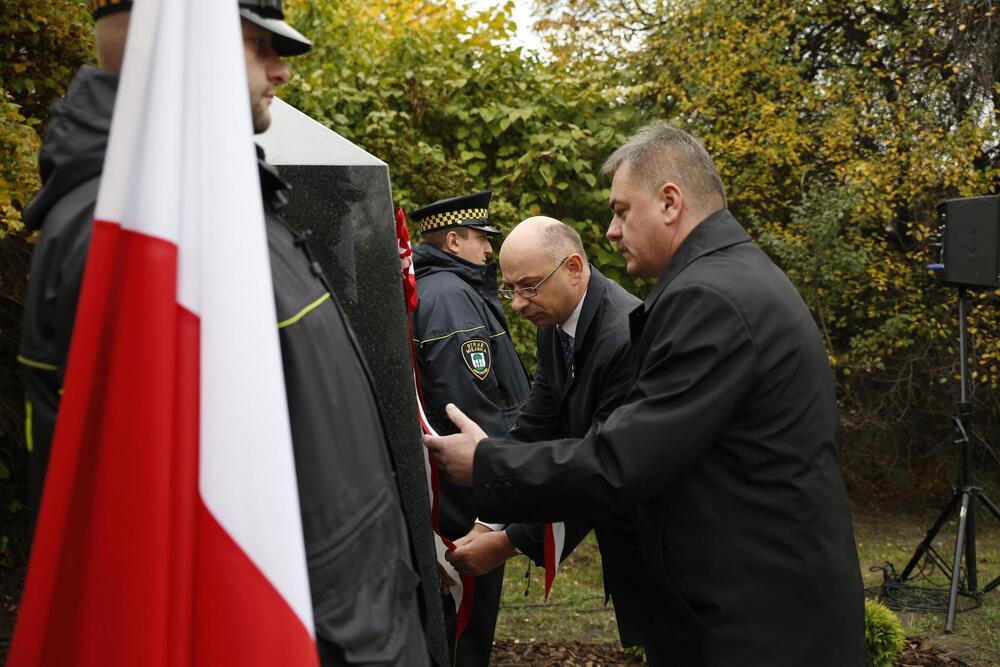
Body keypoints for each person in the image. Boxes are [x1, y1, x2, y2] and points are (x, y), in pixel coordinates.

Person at [18, 2, 428, 663]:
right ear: (181, 34)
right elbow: (156, 556)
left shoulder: (221, 200)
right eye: (257, 43)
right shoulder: (125, 236)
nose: (280, 71)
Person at [425, 123, 866, 665]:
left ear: (670, 202)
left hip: (755, 624)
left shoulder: (707, 298)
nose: (611, 230)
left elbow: (621, 461)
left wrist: (487, 463)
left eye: (621, 210)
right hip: (754, 608)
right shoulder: (724, 278)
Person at [443, 216, 661, 656]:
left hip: (662, 551)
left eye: (529, 286)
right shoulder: (556, 320)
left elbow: (599, 471)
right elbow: (538, 424)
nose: (519, 304)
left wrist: (505, 544)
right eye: (510, 289)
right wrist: (490, 517)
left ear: (575, 267)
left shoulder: (624, 337)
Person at [410, 192, 530, 666]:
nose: (488, 251)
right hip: (468, 502)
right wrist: (495, 506)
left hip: (466, 494)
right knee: (464, 635)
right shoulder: (451, 299)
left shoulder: (449, 291)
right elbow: (473, 411)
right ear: (454, 239)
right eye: (482, 239)